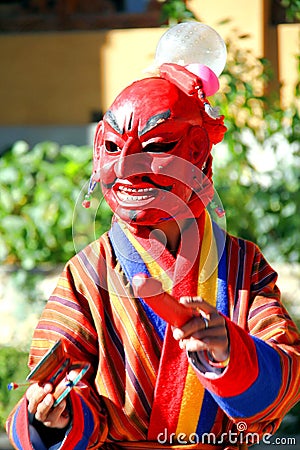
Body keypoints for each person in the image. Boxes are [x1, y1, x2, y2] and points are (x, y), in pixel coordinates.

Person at [6, 22, 300, 450]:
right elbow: (57, 376)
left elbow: (286, 374)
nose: (126, 167)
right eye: (112, 147)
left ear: (199, 153)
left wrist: (231, 352)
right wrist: (54, 415)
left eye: (157, 145)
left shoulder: (240, 264)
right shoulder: (88, 274)